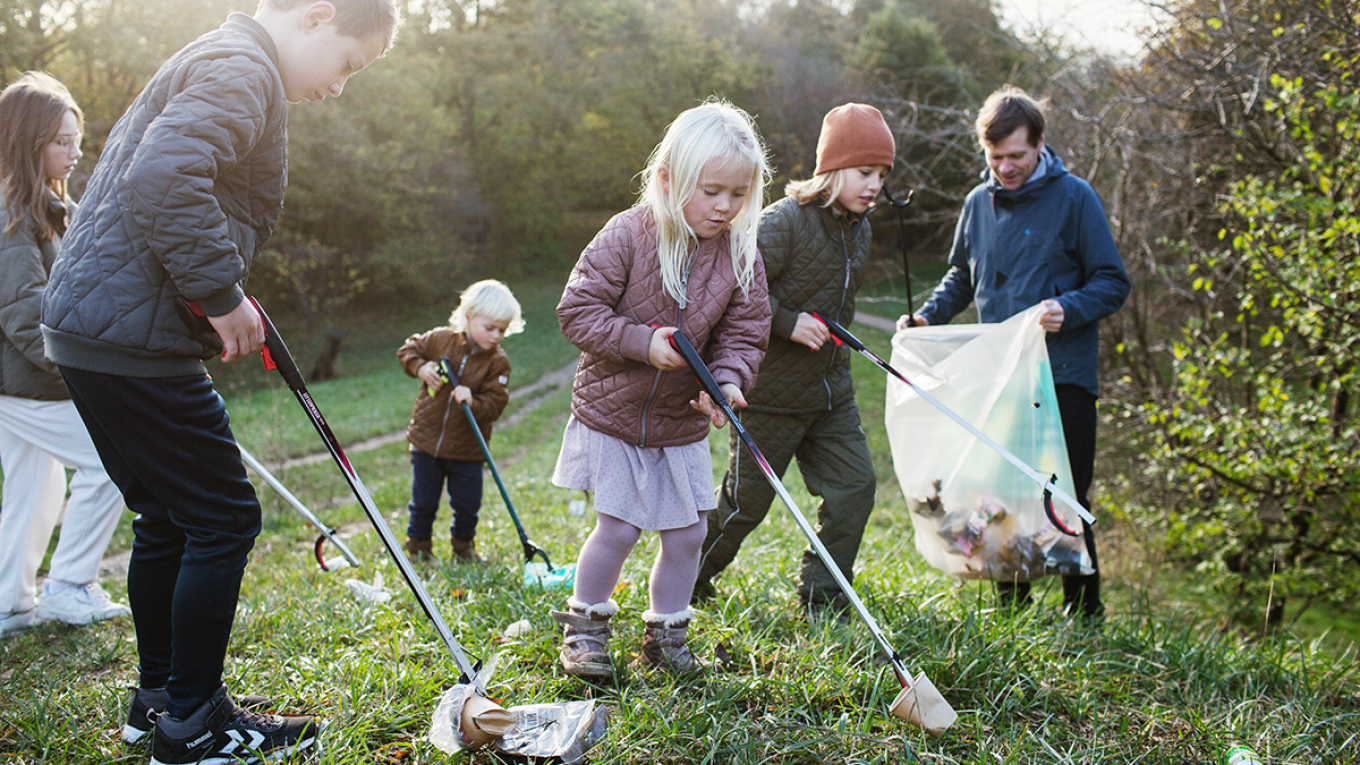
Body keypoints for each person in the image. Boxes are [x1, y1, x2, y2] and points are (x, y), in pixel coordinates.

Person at [39, 1, 402, 762]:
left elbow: (170, 186)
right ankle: (194, 723)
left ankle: (161, 700)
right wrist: (221, 292)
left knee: (168, 517)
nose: (340, 88)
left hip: (92, 329)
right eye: (347, 66)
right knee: (225, 516)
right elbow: (165, 177)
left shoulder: (224, 55)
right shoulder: (242, 68)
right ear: (315, 16)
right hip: (128, 337)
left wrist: (222, 285)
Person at [552, 100, 771, 678]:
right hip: (613, 413)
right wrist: (641, 343)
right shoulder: (627, 234)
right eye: (712, 190)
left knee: (688, 532)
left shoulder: (741, 253)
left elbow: (746, 332)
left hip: (680, 421)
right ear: (669, 178)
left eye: (739, 193)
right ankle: (585, 631)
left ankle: (666, 636)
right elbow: (577, 312)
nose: (726, 207)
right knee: (620, 527)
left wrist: (727, 380)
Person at [897, 86, 1130, 619]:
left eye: (1016, 156)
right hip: (996, 379)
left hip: (1063, 376)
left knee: (1065, 495)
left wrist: (1067, 309)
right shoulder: (978, 203)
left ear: (1040, 145)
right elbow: (961, 274)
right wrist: (928, 316)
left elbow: (1113, 282)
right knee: (996, 493)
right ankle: (1013, 613)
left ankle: (1084, 615)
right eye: (994, 157)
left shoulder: (1075, 197)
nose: (1005, 167)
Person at [695, 102, 893, 617]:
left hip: (831, 394)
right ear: (832, 168)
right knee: (745, 507)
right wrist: (787, 322)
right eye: (864, 172)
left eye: (882, 175)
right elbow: (735, 287)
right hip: (772, 396)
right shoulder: (786, 222)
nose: (874, 184)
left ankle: (823, 597)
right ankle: (686, 580)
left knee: (856, 487)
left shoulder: (860, 228)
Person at [0, 73, 129, 638]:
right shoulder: (10, 217)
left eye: (77, 139)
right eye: (62, 141)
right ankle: (70, 585)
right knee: (113, 457)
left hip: (25, 380)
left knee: (36, 485)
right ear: (30, 144)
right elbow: (24, 314)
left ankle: (10, 603)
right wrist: (84, 371)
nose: (76, 152)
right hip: (24, 382)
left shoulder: (47, 205)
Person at [397, 279, 522, 563]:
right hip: (427, 443)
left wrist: (473, 401)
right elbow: (408, 350)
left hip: (468, 449)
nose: (496, 335)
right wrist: (422, 367)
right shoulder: (441, 339)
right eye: (489, 328)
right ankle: (418, 549)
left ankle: (463, 551)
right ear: (469, 316)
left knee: (467, 505)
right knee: (424, 502)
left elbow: (496, 404)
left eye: (502, 330)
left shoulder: (497, 362)